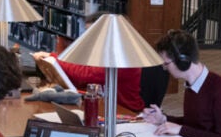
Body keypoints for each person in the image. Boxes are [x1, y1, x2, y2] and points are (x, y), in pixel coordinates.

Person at [35, 13, 168, 114]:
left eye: (92, 33)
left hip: (125, 111)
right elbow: (81, 77)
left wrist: (53, 58)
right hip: (105, 106)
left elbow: (85, 74)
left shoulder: (123, 59)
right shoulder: (103, 51)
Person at [141, 29, 221, 137]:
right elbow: (194, 123)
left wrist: (181, 130)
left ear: (183, 61)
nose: (164, 68)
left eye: (166, 63)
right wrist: (164, 119)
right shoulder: (191, 85)